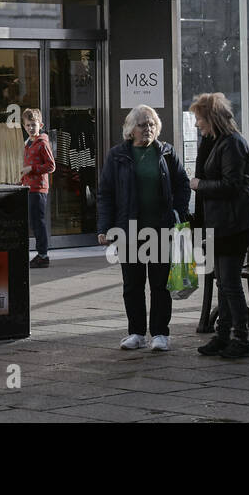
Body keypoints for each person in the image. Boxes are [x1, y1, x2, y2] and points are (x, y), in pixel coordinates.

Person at [96, 105, 191, 352]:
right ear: (131, 129)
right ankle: (136, 333)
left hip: (160, 229)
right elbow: (106, 194)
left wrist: (177, 212)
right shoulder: (117, 155)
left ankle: (160, 333)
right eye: (142, 125)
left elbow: (182, 184)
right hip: (129, 230)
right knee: (133, 285)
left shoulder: (167, 152)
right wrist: (105, 227)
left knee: (160, 284)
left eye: (151, 124)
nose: (147, 129)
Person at [190, 92, 249, 360]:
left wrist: (200, 185)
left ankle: (241, 339)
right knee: (223, 282)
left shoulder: (232, 143)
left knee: (230, 282)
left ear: (211, 117)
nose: (197, 123)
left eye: (199, 118)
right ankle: (222, 336)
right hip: (221, 222)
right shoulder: (215, 141)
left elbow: (233, 185)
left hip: (234, 223)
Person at [21, 108, 56, 268]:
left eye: (33, 125)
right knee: (33, 222)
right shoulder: (28, 143)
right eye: (28, 125)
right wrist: (22, 180)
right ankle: (40, 254)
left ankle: (43, 255)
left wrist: (32, 169)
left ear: (40, 125)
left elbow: (51, 166)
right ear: (24, 126)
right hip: (29, 187)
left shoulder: (42, 143)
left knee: (38, 222)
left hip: (39, 189)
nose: (31, 128)